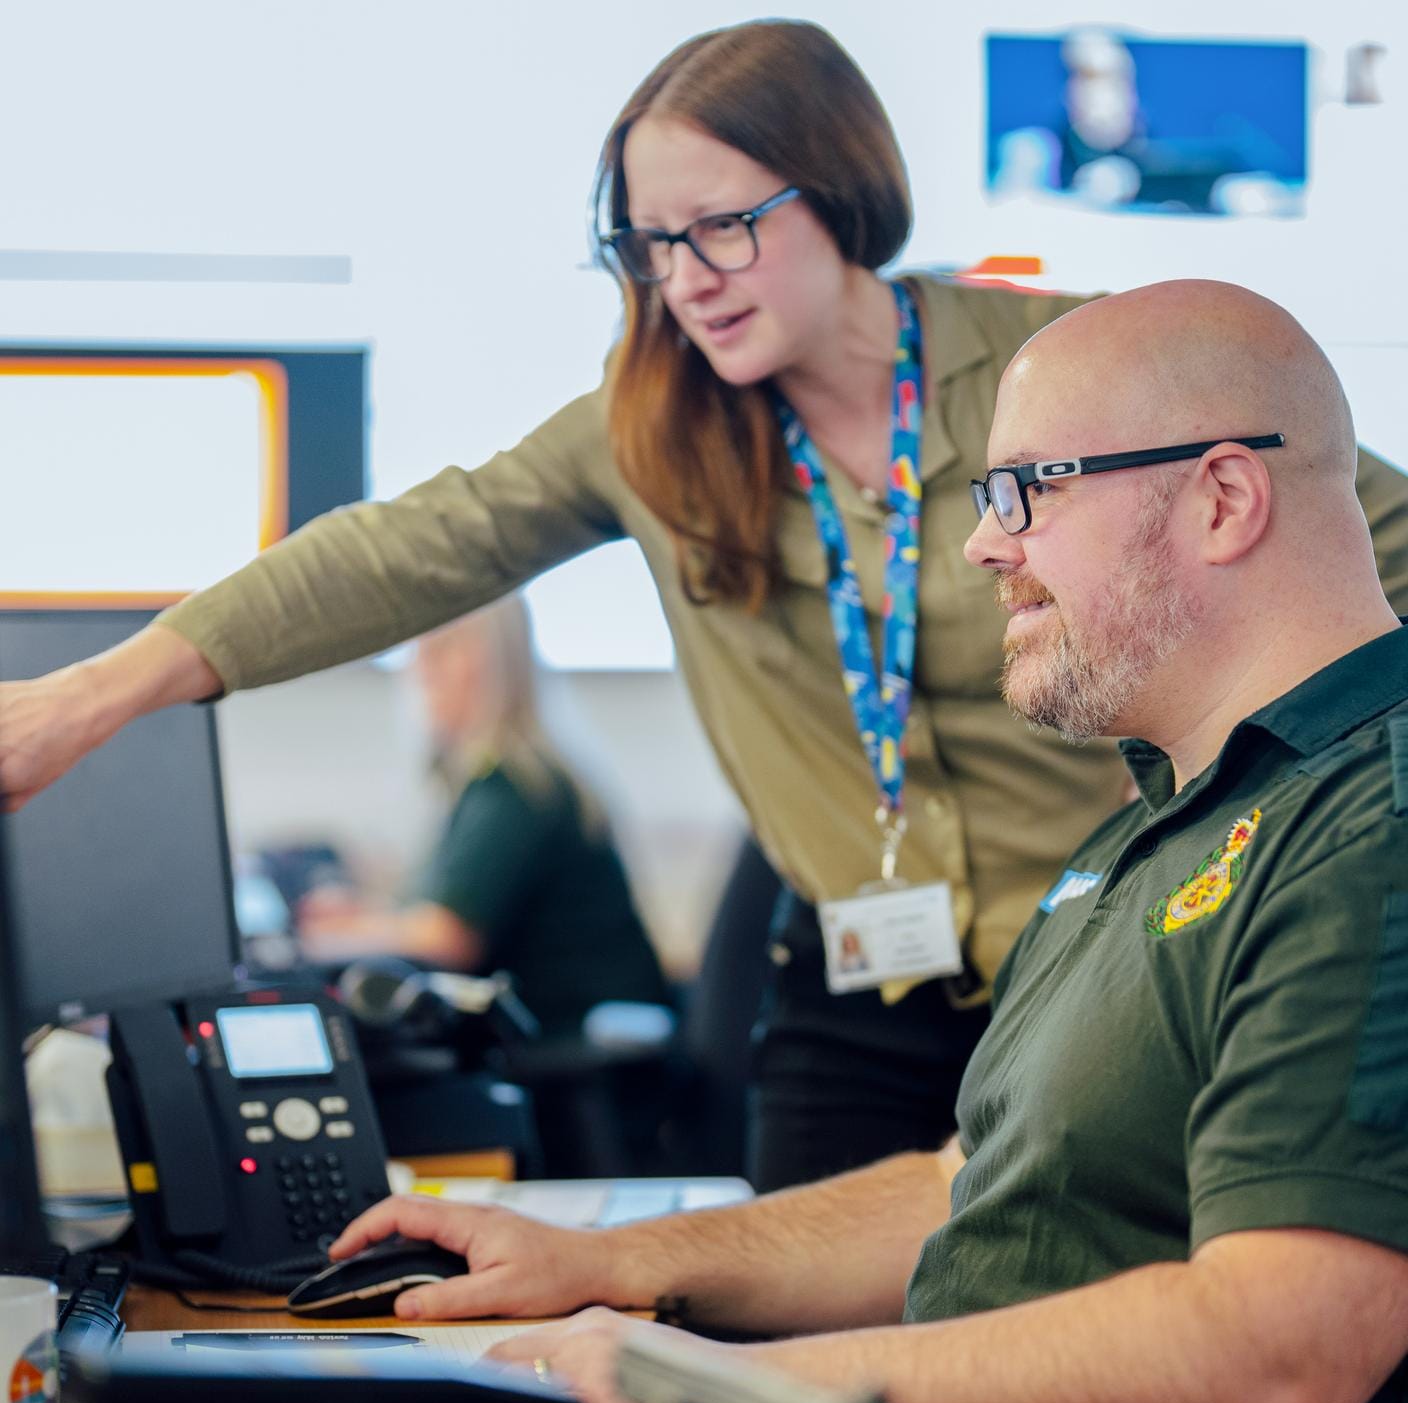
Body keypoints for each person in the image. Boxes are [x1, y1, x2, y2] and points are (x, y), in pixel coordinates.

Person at [4, 21, 1408, 1193]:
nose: (684, 281)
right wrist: (91, 698)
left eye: (723, 228)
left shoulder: (1057, 372)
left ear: (840, 189)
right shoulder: (648, 431)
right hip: (857, 988)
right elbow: (404, 553)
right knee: (782, 1324)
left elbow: (1339, 513)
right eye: (648, 245)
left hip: (1117, 957)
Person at [326, 279, 1408, 1403]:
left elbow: (1288, 1342)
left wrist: (716, 1380)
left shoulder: (1366, 828)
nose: (984, 545)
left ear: (1224, 499)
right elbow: (968, 1185)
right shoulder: (1151, 827)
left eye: (1028, 490)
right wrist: (609, 1262)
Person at [296, 597, 669, 1039]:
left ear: (497, 664)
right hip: (567, 1029)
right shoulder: (501, 778)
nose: (421, 668)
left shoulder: (514, 787)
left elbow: (449, 936)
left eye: (444, 649)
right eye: (421, 650)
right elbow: (445, 906)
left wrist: (320, 940)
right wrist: (368, 919)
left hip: (570, 1038)